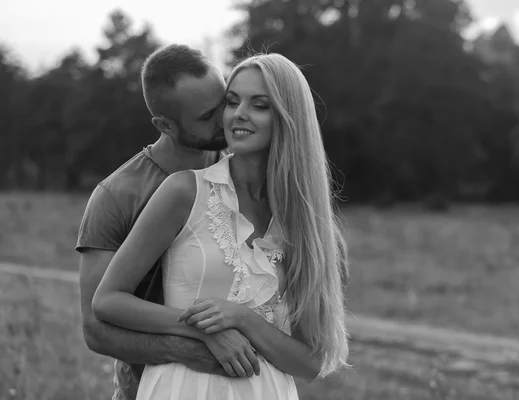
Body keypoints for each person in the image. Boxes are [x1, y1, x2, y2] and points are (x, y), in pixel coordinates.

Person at [91, 53, 350, 399]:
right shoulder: (184, 191)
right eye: (232, 101)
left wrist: (244, 319)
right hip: (182, 389)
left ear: (289, 119)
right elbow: (107, 301)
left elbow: (309, 364)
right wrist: (202, 330)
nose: (238, 113)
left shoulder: (304, 222)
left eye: (260, 104)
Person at [76, 44, 261, 400]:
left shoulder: (247, 172)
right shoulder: (116, 197)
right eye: (208, 116)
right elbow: (96, 330)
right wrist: (193, 346)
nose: (226, 117)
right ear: (164, 125)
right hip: (151, 389)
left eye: (225, 102)